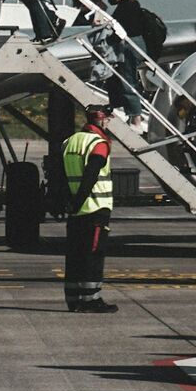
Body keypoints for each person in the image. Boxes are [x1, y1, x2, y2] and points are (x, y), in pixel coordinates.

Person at [61, 104, 117, 312]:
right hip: (95, 207)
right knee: (93, 255)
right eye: (108, 119)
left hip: (76, 211)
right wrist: (79, 200)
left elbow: (61, 176)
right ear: (101, 120)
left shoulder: (70, 141)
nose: (109, 122)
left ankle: (73, 299)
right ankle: (91, 300)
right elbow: (91, 174)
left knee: (74, 255)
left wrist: (70, 202)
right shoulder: (99, 143)